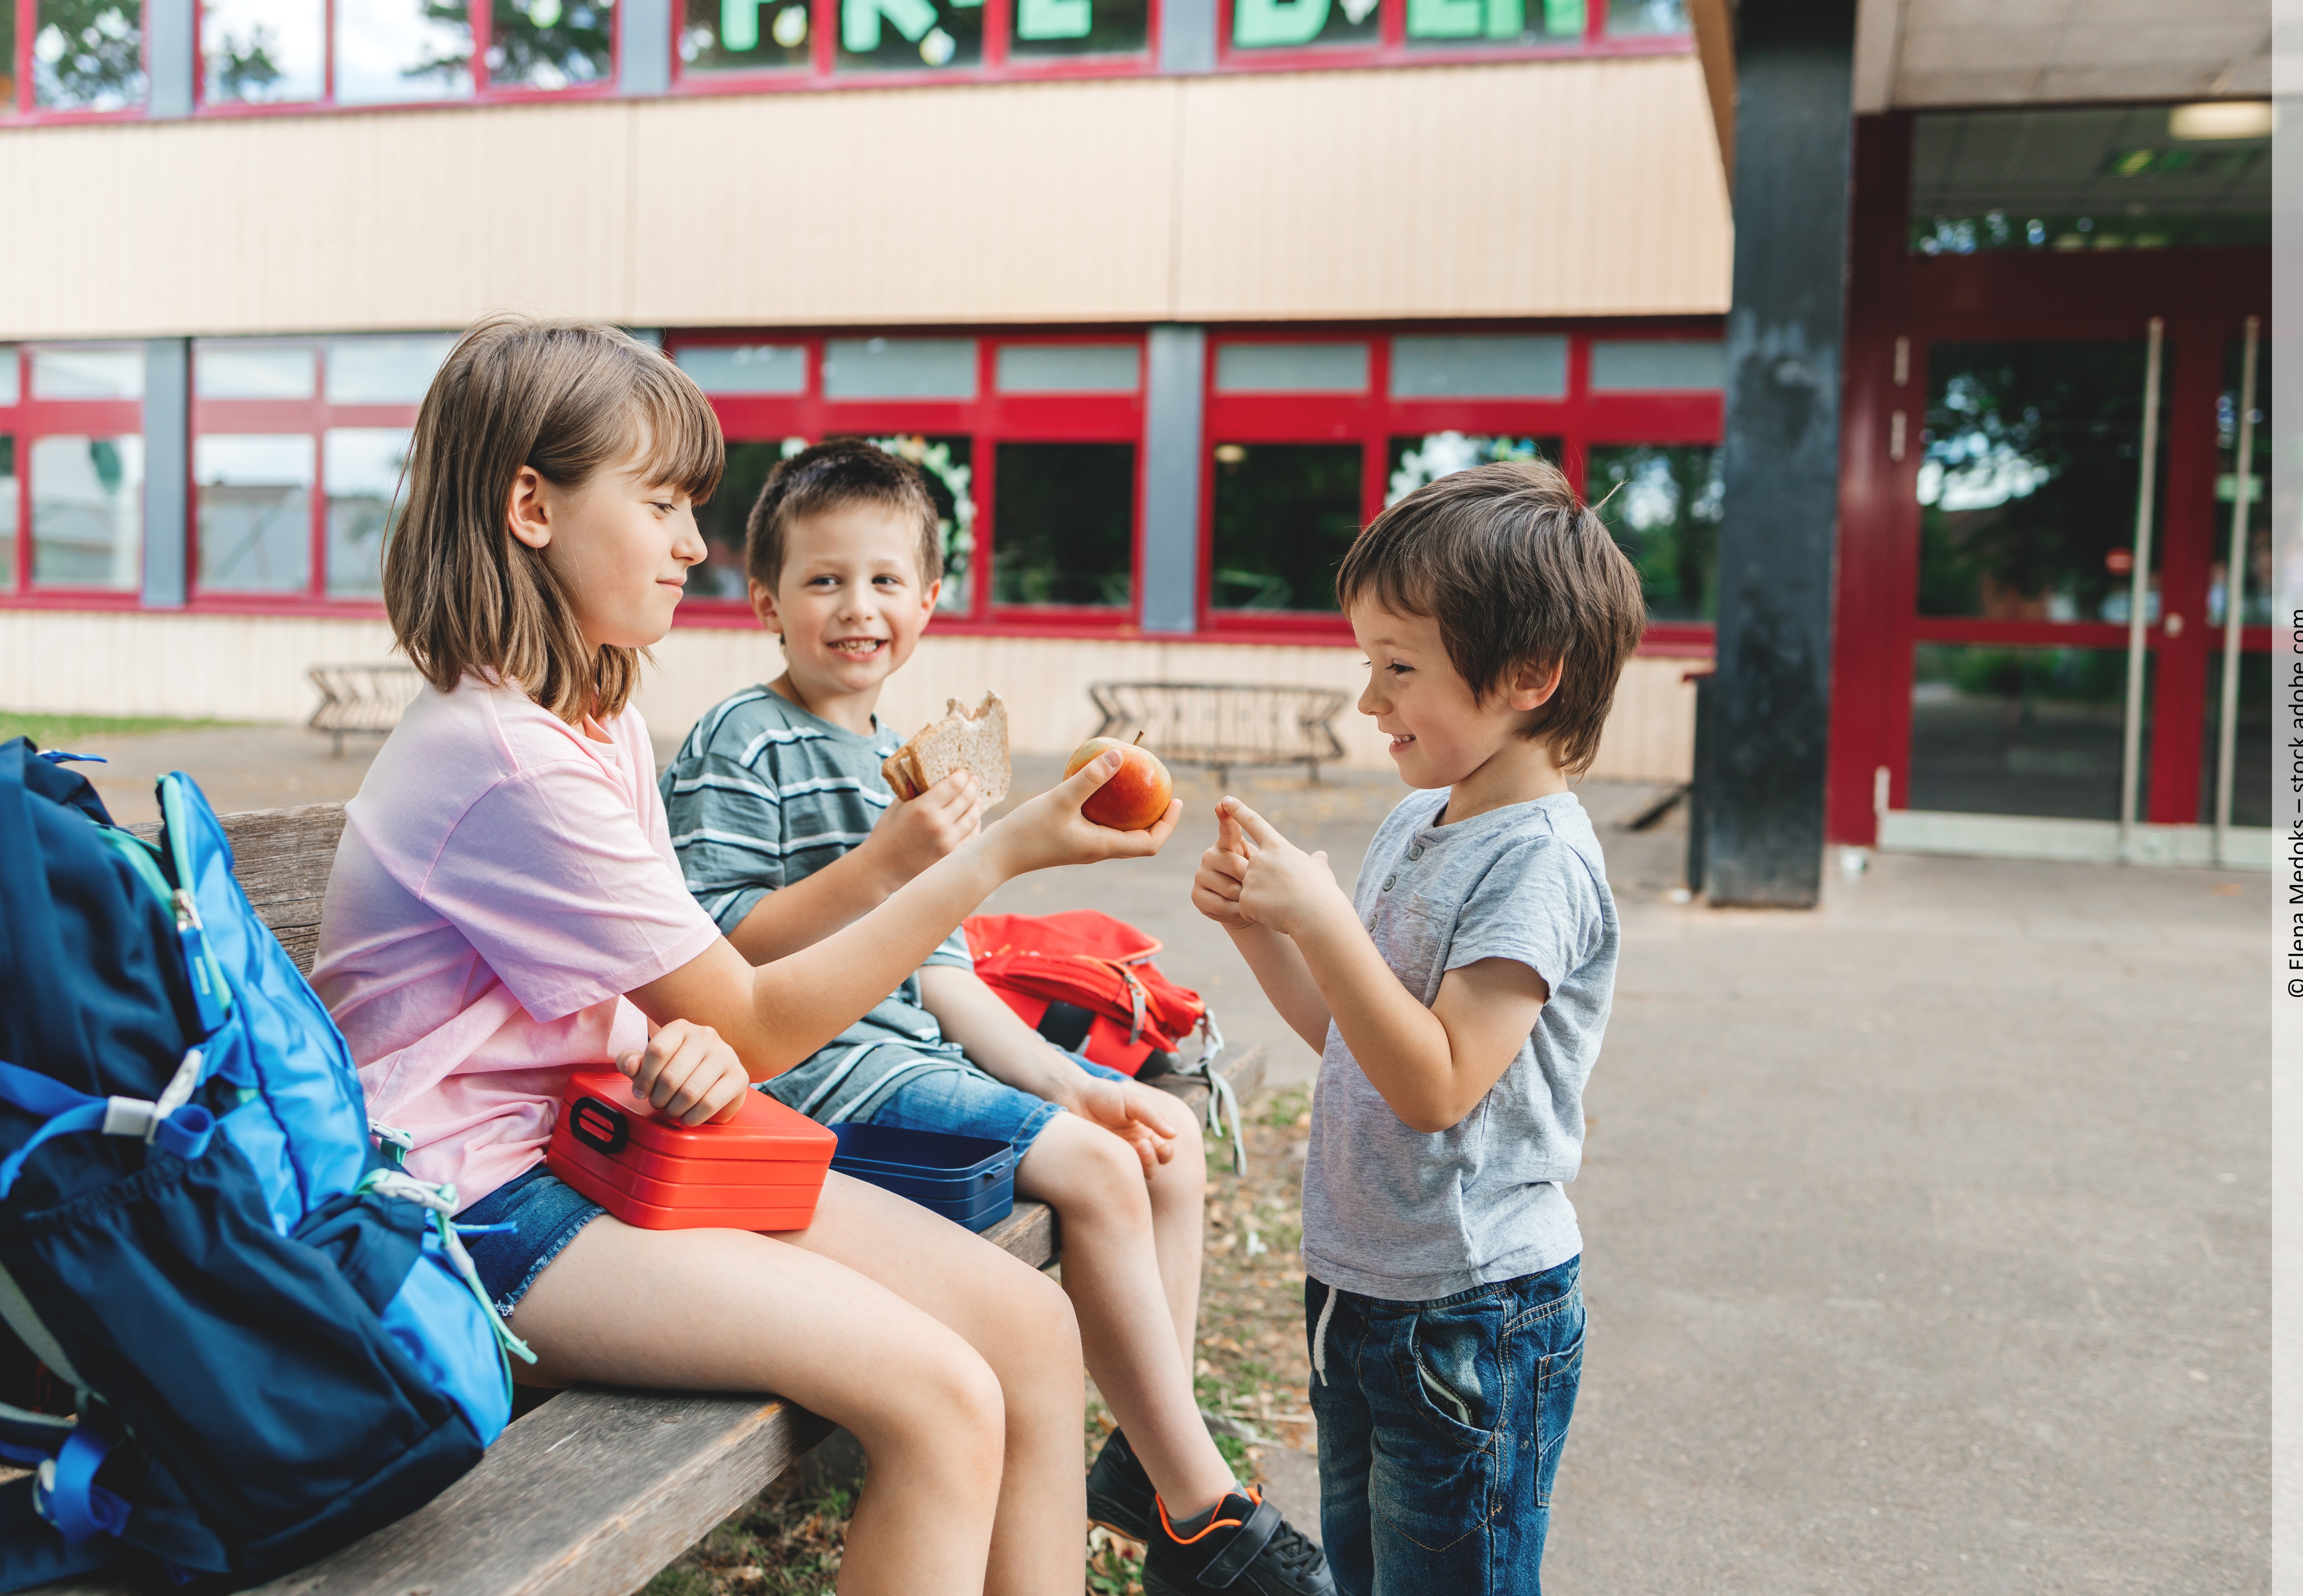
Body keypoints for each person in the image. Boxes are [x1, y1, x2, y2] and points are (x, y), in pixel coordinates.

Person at [310, 316, 1183, 1596]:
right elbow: (760, 1015)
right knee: (940, 1397)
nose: (693, 544)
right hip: (470, 1208)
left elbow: (696, 1008)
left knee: (1032, 1330)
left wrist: (686, 1043)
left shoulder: (595, 711)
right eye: (661, 501)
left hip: (608, 1138)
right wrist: (992, 856)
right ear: (530, 506)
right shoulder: (505, 755)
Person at [661, 440, 1333, 1596]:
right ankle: (1200, 1507)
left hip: (910, 1070)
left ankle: (1141, 1458)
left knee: (1155, 1149)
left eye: (884, 582)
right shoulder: (743, 738)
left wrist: (1074, 1083)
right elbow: (715, 948)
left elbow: (948, 976)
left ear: (929, 601)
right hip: (811, 1086)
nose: (856, 608)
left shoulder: (906, 759)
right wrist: (883, 867)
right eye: (823, 582)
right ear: (767, 602)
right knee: (1101, 1174)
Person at [1191, 458, 1644, 1596]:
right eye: (1367, 665)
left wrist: (1326, 918)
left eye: (1399, 669)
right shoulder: (1417, 819)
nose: (1369, 702)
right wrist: (1264, 929)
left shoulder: (1540, 864)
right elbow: (1360, 1046)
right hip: (1366, 1291)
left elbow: (1440, 1085)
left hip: (1473, 1314)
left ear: (1531, 676)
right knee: (1366, 1573)